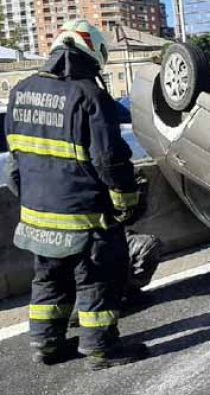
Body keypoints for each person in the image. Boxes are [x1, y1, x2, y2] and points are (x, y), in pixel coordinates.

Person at [3, 19, 149, 370]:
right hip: (84, 218)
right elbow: (109, 160)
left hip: (37, 217)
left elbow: (15, 160)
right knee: (98, 279)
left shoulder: (20, 90)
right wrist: (126, 202)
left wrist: (31, 201)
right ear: (91, 54)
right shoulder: (90, 95)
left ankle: (46, 345)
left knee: (48, 280)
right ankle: (100, 350)